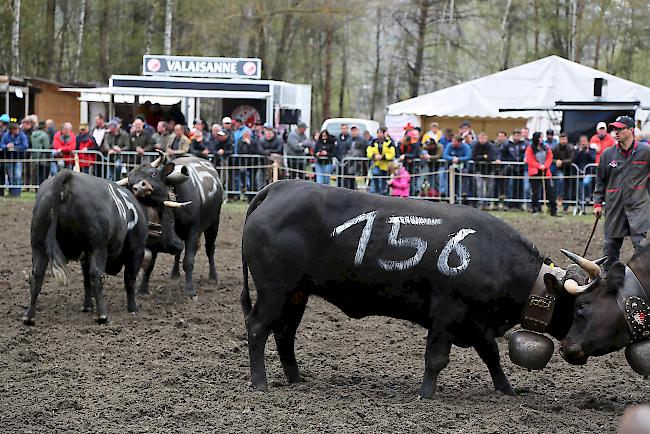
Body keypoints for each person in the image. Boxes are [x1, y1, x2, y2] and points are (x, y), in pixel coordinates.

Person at [594, 115, 650, 271]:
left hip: (639, 207)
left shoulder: (646, 152)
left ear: (631, 130)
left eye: (620, 129)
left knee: (642, 249)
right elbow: (600, 181)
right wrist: (597, 203)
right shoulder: (607, 154)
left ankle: (644, 286)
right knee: (610, 250)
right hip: (614, 208)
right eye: (614, 129)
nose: (616, 132)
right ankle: (607, 284)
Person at [525, 132, 557, 216]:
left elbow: (550, 156)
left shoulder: (546, 146)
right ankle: (535, 209)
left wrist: (545, 165)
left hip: (545, 171)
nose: (542, 139)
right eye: (540, 137)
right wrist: (539, 166)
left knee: (550, 191)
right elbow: (529, 159)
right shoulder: (530, 147)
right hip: (534, 172)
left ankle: (553, 210)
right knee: (535, 191)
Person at [0, 122, 29, 196]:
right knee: (10, 176)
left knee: (17, 175)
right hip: (9, 159)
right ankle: (11, 192)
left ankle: (17, 193)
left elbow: (25, 146)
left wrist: (14, 147)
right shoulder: (6, 136)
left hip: (18, 158)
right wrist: (6, 146)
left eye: (17, 129)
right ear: (11, 130)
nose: (16, 130)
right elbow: (2, 145)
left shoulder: (22, 135)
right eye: (14, 129)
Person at [366, 127, 396, 195]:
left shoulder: (389, 142)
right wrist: (374, 156)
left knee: (384, 181)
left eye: (380, 133)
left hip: (386, 166)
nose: (379, 134)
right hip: (376, 164)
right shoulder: (373, 142)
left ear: (384, 133)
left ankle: (383, 194)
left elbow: (392, 153)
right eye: (378, 133)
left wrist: (383, 157)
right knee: (375, 175)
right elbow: (369, 151)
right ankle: (376, 192)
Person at [442, 135, 471, 201]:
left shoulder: (465, 146)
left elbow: (468, 156)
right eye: (452, 141)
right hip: (451, 167)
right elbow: (445, 155)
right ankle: (451, 196)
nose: (453, 143)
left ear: (459, 142)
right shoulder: (449, 145)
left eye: (454, 141)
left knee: (463, 181)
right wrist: (452, 158)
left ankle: (463, 195)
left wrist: (459, 159)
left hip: (463, 167)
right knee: (451, 181)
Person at [471, 132, 497, 209]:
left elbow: (491, 157)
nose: (482, 140)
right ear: (478, 139)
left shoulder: (490, 146)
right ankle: (480, 202)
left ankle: (487, 202)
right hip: (479, 169)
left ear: (487, 138)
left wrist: (481, 157)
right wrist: (485, 156)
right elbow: (474, 157)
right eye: (481, 138)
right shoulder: (476, 145)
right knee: (479, 186)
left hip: (490, 170)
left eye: (484, 138)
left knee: (490, 187)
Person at [552, 132, 575, 214]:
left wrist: (561, 162)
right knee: (559, 181)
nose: (563, 141)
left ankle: (566, 207)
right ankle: (558, 199)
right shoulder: (555, 148)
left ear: (567, 139)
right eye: (561, 139)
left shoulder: (570, 148)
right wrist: (556, 161)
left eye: (564, 139)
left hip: (568, 170)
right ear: (559, 139)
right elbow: (551, 158)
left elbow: (571, 159)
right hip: (559, 170)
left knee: (567, 189)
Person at [573, 134, 596, 214]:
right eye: (581, 142)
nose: (583, 143)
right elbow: (574, 160)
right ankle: (581, 207)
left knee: (586, 183)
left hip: (588, 172)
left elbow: (593, 159)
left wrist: (587, 152)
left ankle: (588, 197)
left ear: (588, 142)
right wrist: (579, 152)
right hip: (579, 173)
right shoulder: (577, 151)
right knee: (579, 190)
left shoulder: (592, 150)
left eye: (584, 142)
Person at [399, 129, 422, 196]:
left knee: (413, 180)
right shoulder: (401, 144)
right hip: (405, 165)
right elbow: (398, 153)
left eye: (404, 141)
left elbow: (415, 154)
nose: (402, 142)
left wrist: (405, 156)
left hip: (414, 166)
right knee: (405, 180)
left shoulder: (415, 144)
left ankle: (413, 194)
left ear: (408, 141)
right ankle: (406, 194)